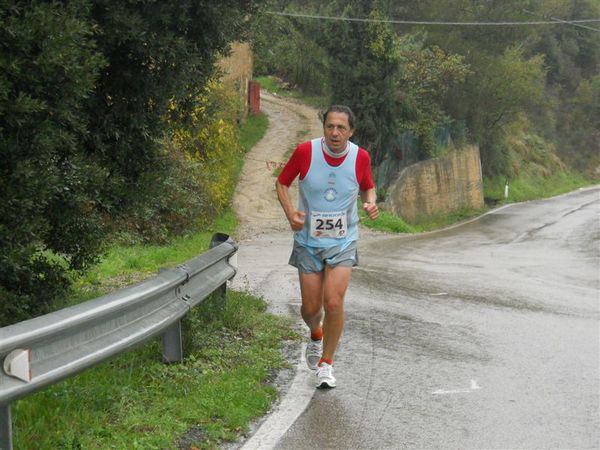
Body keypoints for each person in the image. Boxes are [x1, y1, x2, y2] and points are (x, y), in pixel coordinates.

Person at [275, 105, 379, 389]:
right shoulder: (305, 152)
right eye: (330, 126)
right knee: (310, 310)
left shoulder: (360, 157)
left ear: (351, 131)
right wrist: (290, 214)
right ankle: (316, 335)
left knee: (333, 301)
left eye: (341, 128)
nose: (335, 133)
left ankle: (327, 364)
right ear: (324, 127)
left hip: (343, 242)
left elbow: (368, 186)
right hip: (308, 242)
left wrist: (370, 201)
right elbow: (282, 183)